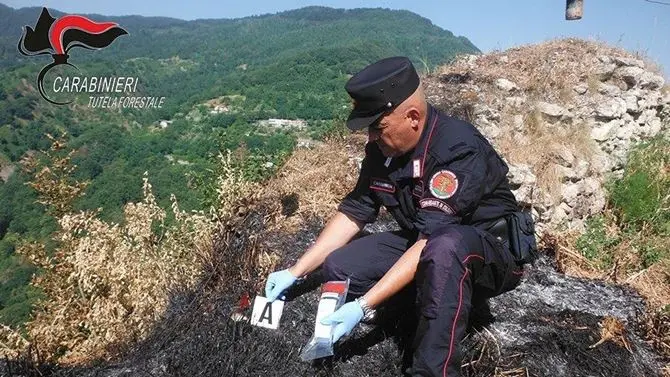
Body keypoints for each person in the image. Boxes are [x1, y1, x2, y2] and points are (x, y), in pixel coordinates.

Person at [265, 56, 537, 377]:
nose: (371, 138)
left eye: (378, 127)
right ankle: (417, 303)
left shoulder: (457, 147)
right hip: (428, 241)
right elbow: (354, 212)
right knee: (341, 266)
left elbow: (431, 240)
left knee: (445, 247)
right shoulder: (383, 152)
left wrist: (364, 305)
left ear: (412, 117)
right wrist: (295, 272)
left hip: (488, 255)